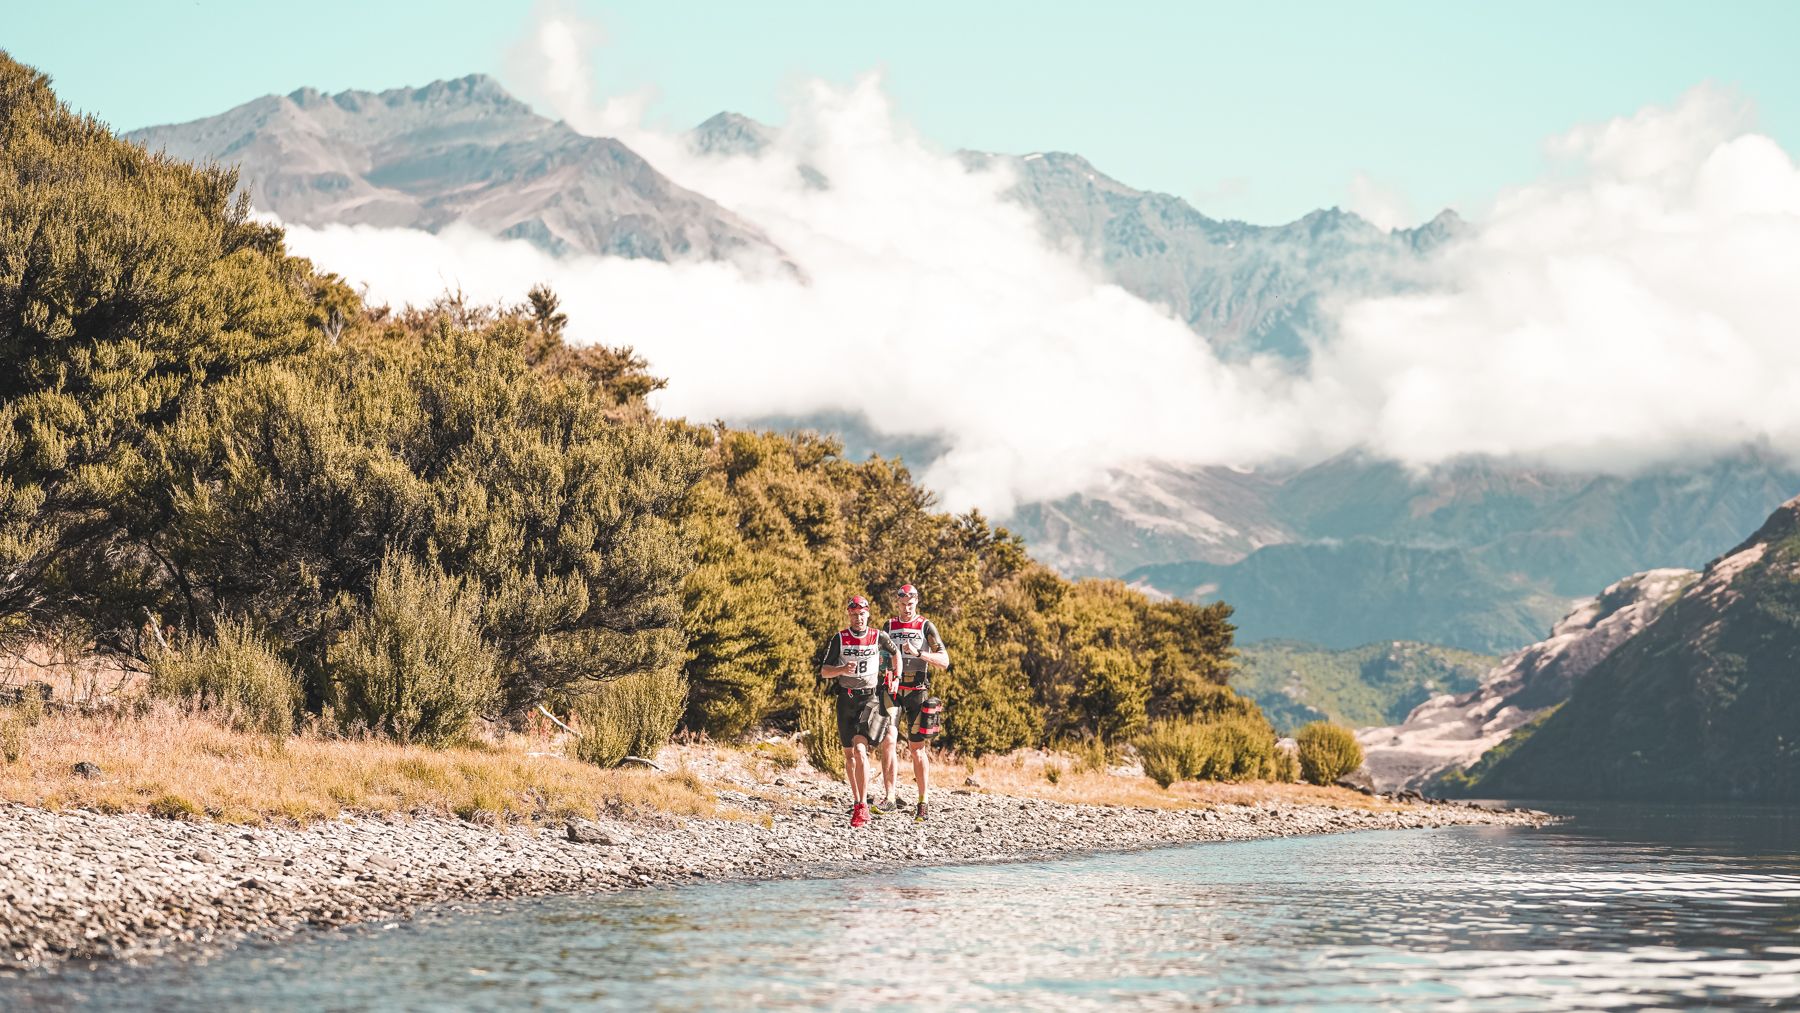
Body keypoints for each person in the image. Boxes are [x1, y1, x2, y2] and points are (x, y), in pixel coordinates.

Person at [817, 594, 903, 828]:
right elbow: (824, 671)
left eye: (862, 614)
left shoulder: (878, 636)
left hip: (869, 699)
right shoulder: (840, 639)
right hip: (846, 700)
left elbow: (896, 653)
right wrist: (843, 668)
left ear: (868, 614)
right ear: (849, 615)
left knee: (860, 750)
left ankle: (863, 806)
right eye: (854, 615)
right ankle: (857, 802)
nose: (858, 619)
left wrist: (896, 676)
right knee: (849, 756)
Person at [882, 583, 949, 822]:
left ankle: (923, 801)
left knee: (916, 748)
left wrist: (919, 653)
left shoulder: (925, 626)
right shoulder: (889, 626)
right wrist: (884, 674)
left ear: (916, 602)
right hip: (893, 690)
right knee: (888, 740)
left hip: (917, 692)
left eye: (910, 604)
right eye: (902, 604)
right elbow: (882, 656)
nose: (906, 609)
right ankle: (889, 797)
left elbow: (944, 660)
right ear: (897, 603)